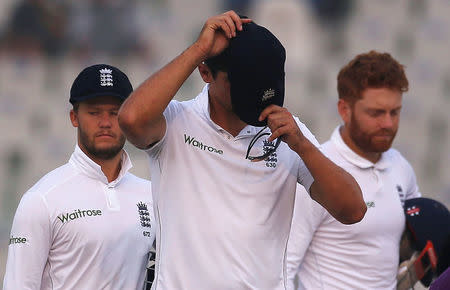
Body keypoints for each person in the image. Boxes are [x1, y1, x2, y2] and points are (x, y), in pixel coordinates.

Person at [118, 11, 366, 289]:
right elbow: (130, 120)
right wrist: (199, 49)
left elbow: (353, 210)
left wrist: (304, 147)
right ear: (205, 72)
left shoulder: (290, 134)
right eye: (246, 81)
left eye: (265, 80)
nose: (258, 91)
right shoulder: (176, 121)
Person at [3, 64, 155, 289]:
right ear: (74, 117)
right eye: (94, 112)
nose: (105, 122)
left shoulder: (152, 194)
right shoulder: (42, 199)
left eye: (115, 112)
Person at [286, 51, 422, 289]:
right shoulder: (313, 173)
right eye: (376, 113)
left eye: (395, 112)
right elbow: (283, 269)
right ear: (344, 110)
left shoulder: (402, 167)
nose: (388, 124)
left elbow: (411, 243)